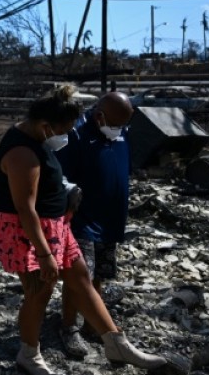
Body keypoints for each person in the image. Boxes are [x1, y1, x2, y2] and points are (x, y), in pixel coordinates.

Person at [0, 85, 165, 374]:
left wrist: (65, 192)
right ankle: (29, 354)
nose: (68, 135)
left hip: (54, 224)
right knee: (39, 292)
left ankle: (115, 342)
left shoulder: (36, 136)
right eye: (65, 129)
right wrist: (45, 255)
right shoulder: (22, 152)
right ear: (46, 126)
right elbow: (25, 209)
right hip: (27, 232)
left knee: (82, 277)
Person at [56, 91, 135, 358]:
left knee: (99, 273)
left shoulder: (119, 131)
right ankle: (69, 327)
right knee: (79, 277)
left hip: (110, 218)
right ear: (100, 116)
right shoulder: (76, 134)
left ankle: (92, 322)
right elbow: (62, 177)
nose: (119, 130)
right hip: (83, 220)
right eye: (115, 125)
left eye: (122, 126)